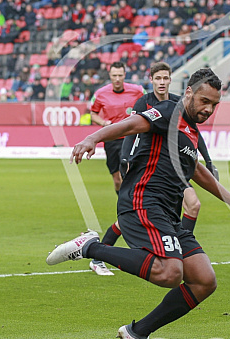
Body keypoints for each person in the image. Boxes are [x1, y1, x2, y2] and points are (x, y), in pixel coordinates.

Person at [46, 68, 230, 339]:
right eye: (204, 101)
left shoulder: (191, 131)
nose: (208, 109)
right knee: (170, 272)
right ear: (188, 93)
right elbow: (132, 124)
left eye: (214, 104)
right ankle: (90, 247)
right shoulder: (169, 111)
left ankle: (137, 333)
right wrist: (92, 137)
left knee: (203, 280)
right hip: (143, 201)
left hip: (168, 213)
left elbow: (195, 168)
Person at [92, 62, 217, 276]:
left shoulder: (181, 103)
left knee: (193, 205)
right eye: (157, 78)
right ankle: (98, 252)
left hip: (178, 166)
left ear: (170, 80)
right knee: (131, 216)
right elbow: (133, 129)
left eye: (165, 78)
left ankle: (176, 250)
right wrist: (126, 160)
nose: (161, 82)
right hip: (147, 167)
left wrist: (208, 160)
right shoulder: (145, 102)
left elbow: (195, 136)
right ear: (151, 80)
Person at [90, 62, 146, 195]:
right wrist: (104, 123)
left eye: (120, 75)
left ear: (124, 75)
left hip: (131, 138)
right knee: (117, 180)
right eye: (114, 75)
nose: (117, 79)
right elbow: (93, 114)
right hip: (111, 139)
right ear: (110, 75)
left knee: (126, 174)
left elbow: (150, 106)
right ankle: (123, 205)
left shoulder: (137, 91)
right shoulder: (100, 93)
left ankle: (131, 207)